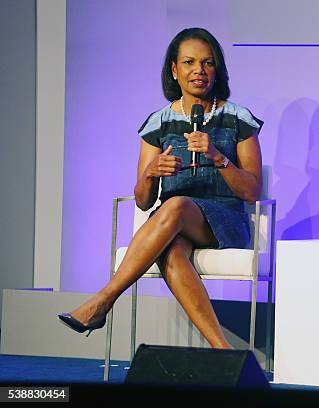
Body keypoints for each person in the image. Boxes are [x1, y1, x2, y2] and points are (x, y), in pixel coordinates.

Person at [58, 27, 263, 349]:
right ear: (174, 69)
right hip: (171, 223)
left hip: (223, 221)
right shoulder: (158, 123)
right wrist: (151, 174)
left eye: (208, 63)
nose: (199, 71)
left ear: (217, 69)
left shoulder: (238, 118)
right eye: (189, 62)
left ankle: (103, 300)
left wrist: (218, 157)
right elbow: (142, 201)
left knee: (177, 206)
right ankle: (223, 351)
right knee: (171, 250)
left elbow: (252, 191)